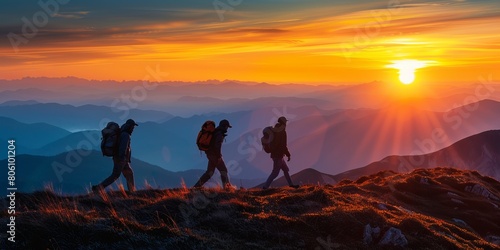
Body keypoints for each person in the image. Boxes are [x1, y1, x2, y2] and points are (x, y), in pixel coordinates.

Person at [93, 119, 138, 193]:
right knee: (115, 175)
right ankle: (98, 188)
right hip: (121, 159)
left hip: (121, 159)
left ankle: (132, 191)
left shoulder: (121, 132)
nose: (133, 129)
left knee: (129, 173)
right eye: (132, 127)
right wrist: (122, 158)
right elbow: (123, 147)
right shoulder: (125, 135)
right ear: (129, 126)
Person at [193, 119, 233, 189]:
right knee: (223, 170)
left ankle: (196, 187)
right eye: (227, 127)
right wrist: (218, 156)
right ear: (224, 126)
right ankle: (227, 188)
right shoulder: (219, 134)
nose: (227, 128)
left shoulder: (215, 132)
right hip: (214, 155)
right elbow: (217, 146)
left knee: (209, 173)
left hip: (210, 154)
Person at [263, 116, 299, 189]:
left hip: (278, 155)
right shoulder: (282, 132)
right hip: (278, 156)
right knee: (275, 173)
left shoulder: (275, 130)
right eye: (285, 122)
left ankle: (291, 185)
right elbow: (283, 145)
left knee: (285, 170)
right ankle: (265, 187)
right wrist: (288, 154)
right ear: (284, 123)